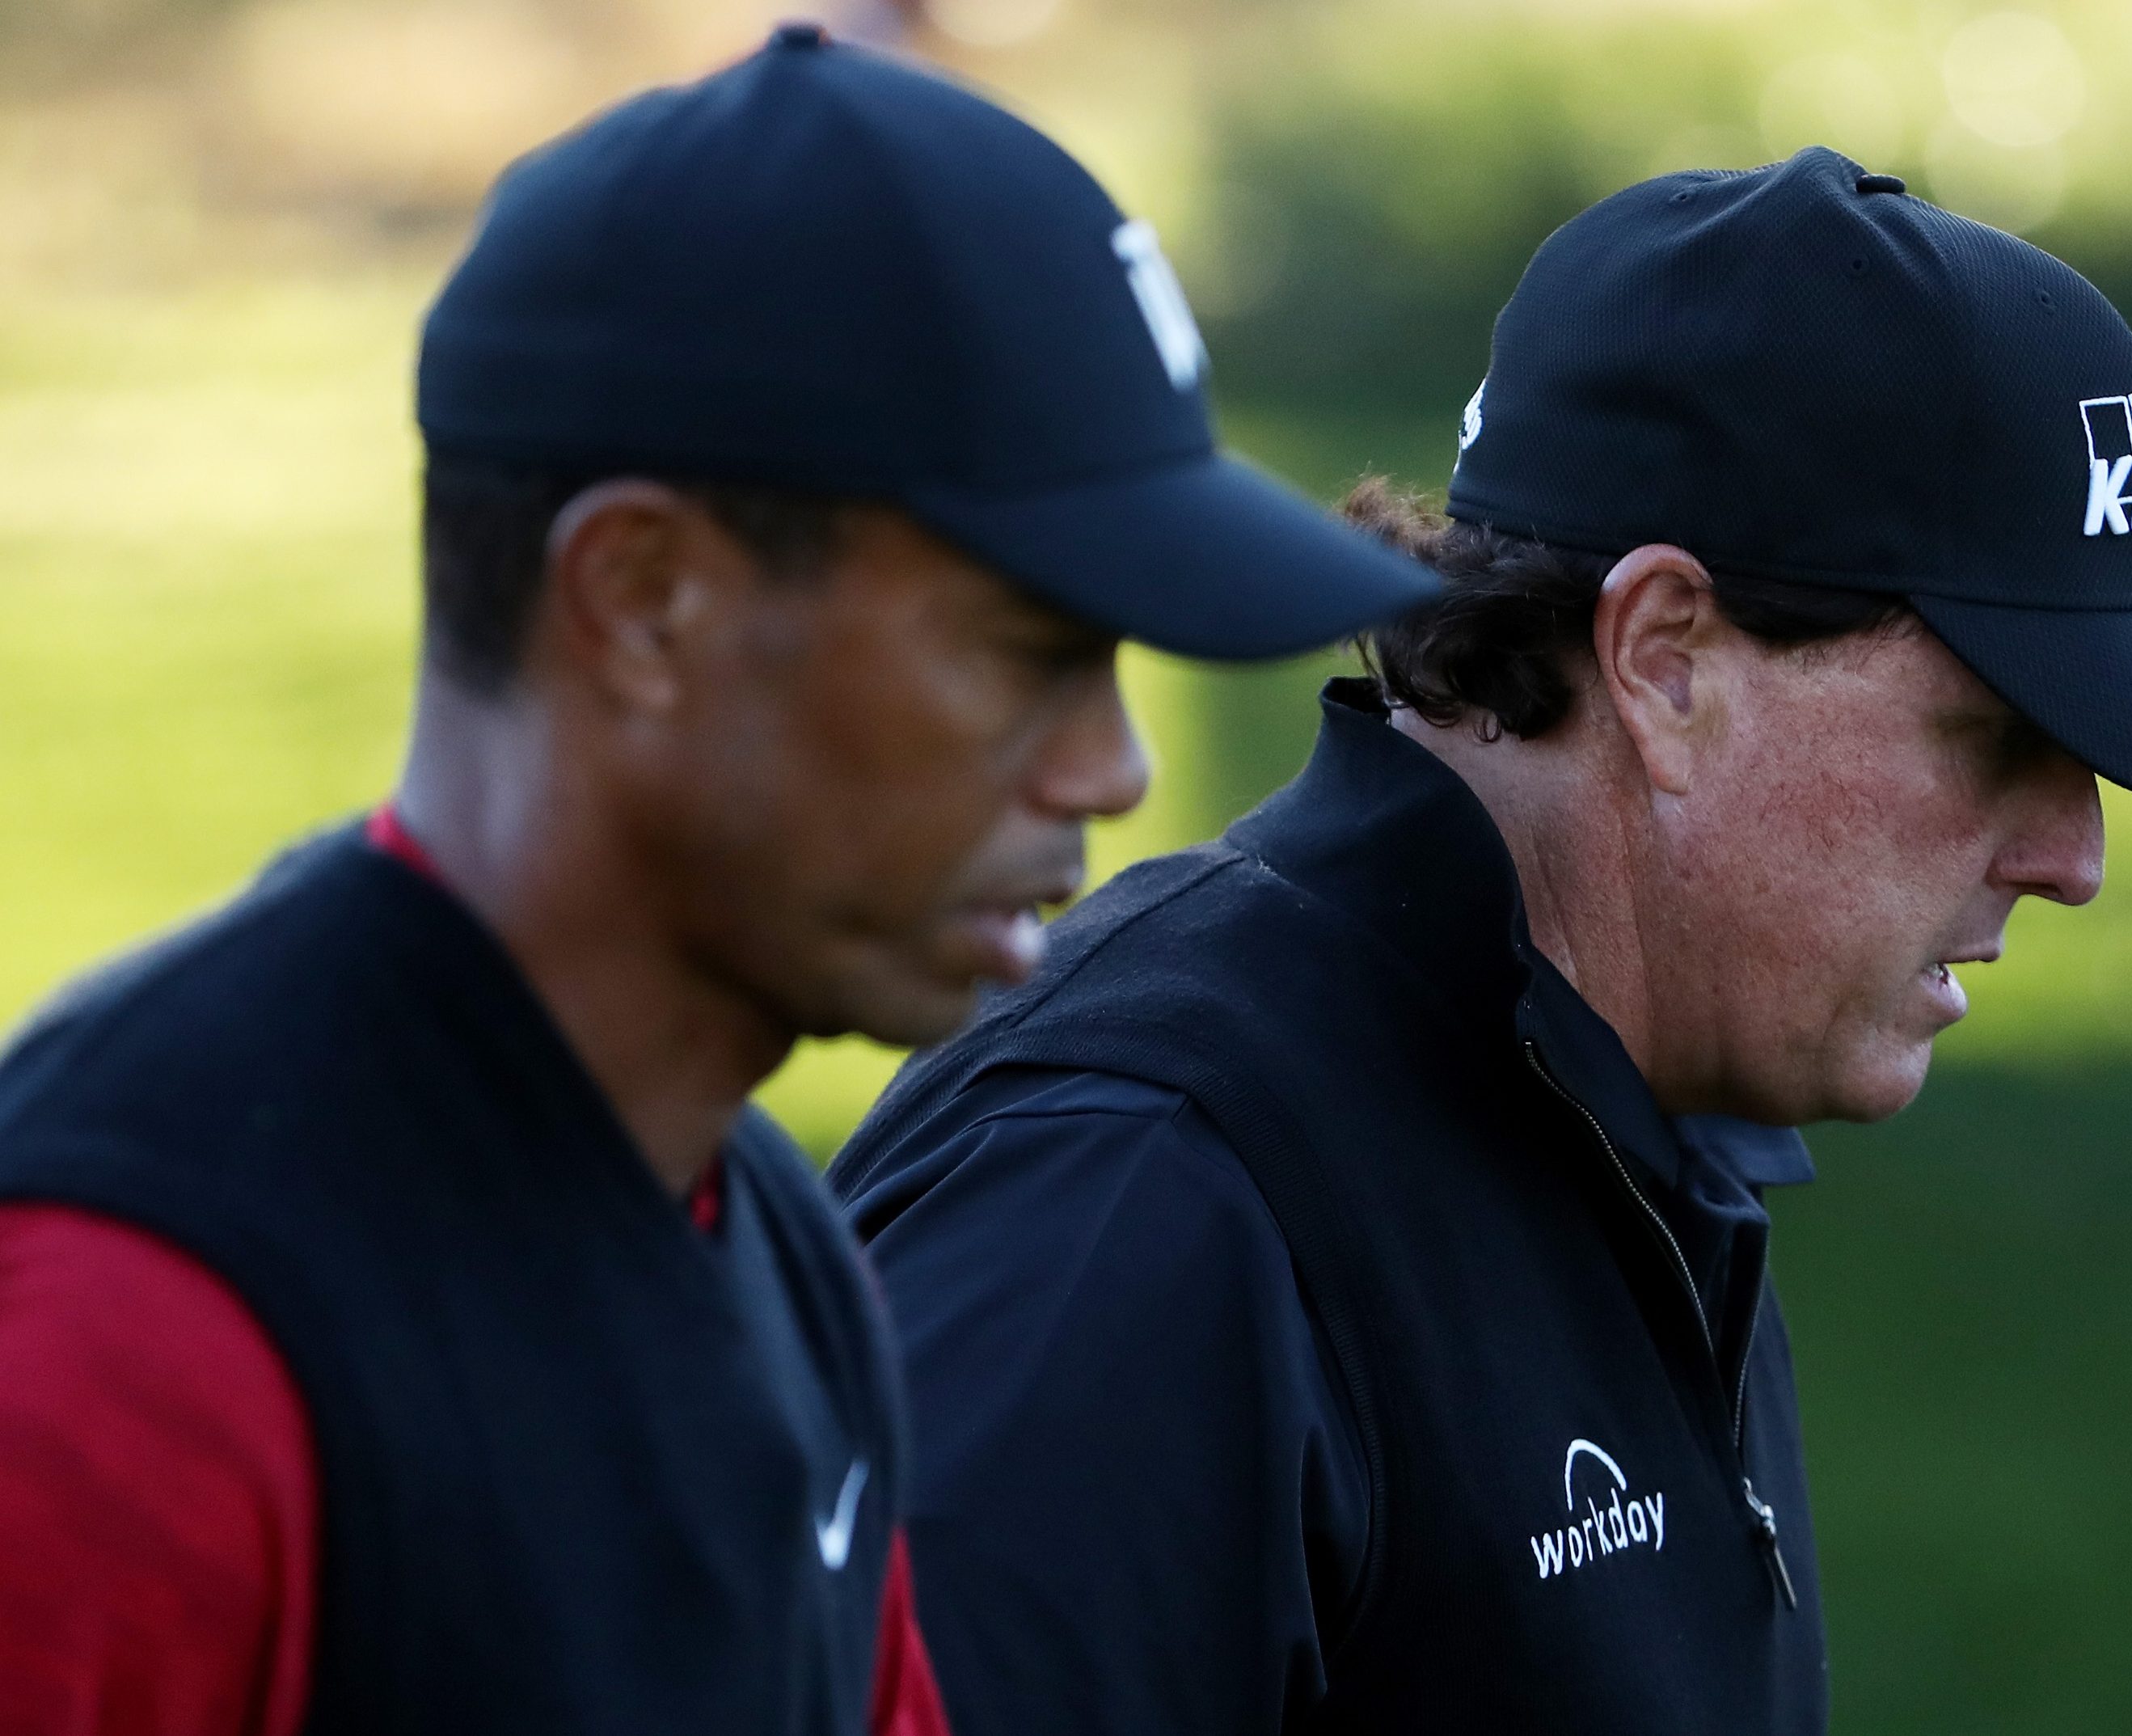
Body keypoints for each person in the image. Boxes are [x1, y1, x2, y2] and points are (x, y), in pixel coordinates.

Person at [0, 25, 1429, 1736]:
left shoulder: (778, 1256)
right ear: (646, 599)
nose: (1112, 767)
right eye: (1024, 649)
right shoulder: (134, 1338)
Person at [828, 147, 2132, 1736]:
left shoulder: (1627, 1098)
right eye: (1996, 737)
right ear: (1668, 661)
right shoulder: (1139, 1208)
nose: (2074, 858)